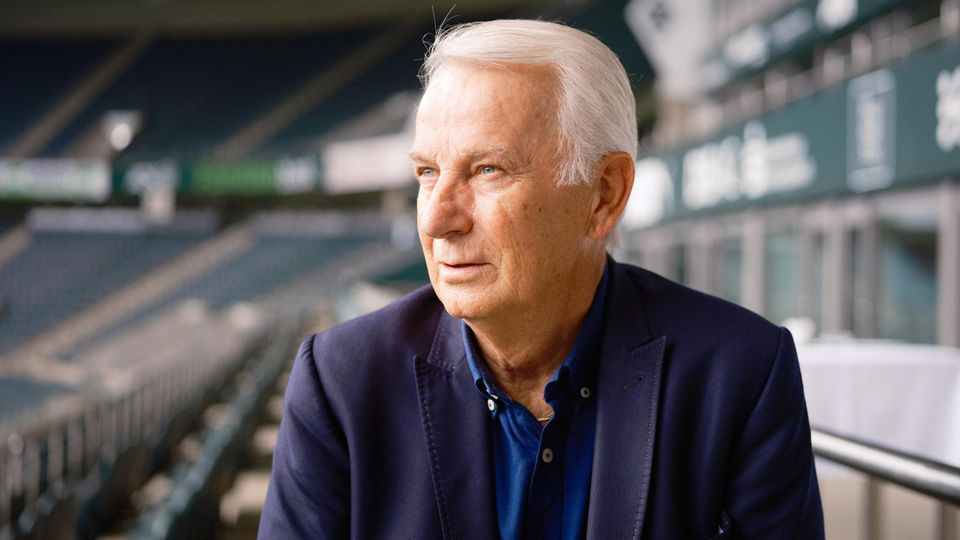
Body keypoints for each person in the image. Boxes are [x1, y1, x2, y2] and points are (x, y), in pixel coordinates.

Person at [259, 19, 824, 540]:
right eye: (427, 173)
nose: (435, 219)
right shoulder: (340, 382)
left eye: (487, 170)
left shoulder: (742, 373)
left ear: (604, 194)